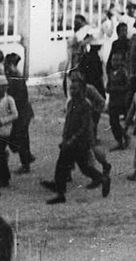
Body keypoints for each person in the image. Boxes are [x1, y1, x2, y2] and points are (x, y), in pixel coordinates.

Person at [44, 72, 110, 205]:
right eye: (71, 88)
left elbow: (84, 127)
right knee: (81, 166)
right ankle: (101, 179)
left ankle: (60, 191)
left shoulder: (85, 105)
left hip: (78, 142)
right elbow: (68, 124)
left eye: (75, 88)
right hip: (70, 141)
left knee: (66, 165)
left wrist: (71, 140)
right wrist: (64, 138)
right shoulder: (70, 104)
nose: (72, 90)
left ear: (82, 89)